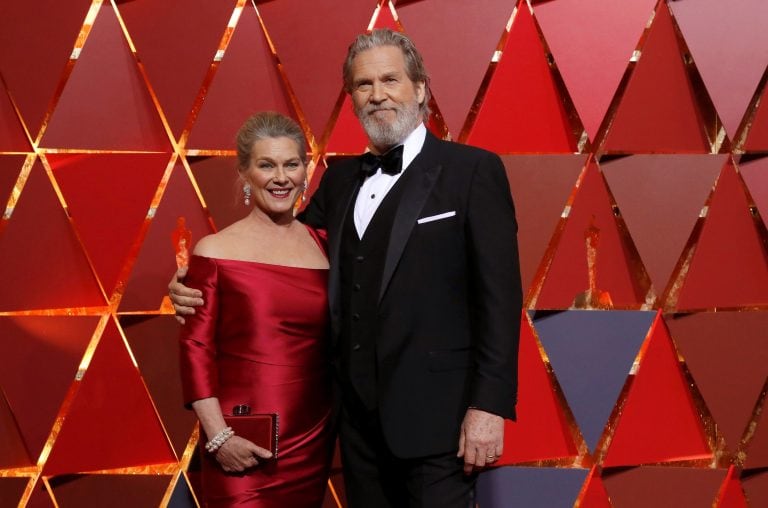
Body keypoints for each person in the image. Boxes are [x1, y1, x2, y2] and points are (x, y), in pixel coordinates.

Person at [172, 29, 522, 508]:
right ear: (352, 99)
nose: (377, 95)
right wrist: (195, 286)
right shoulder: (338, 180)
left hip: (441, 422)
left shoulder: (472, 171)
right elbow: (279, 249)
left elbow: (500, 300)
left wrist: (489, 406)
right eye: (363, 85)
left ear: (420, 89)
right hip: (354, 428)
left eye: (390, 80)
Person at [177, 112, 333, 507]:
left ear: (305, 171)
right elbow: (195, 351)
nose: (280, 177)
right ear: (245, 172)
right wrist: (218, 437)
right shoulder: (214, 251)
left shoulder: (326, 246)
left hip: (313, 437)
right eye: (266, 165)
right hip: (239, 438)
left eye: (291, 164)